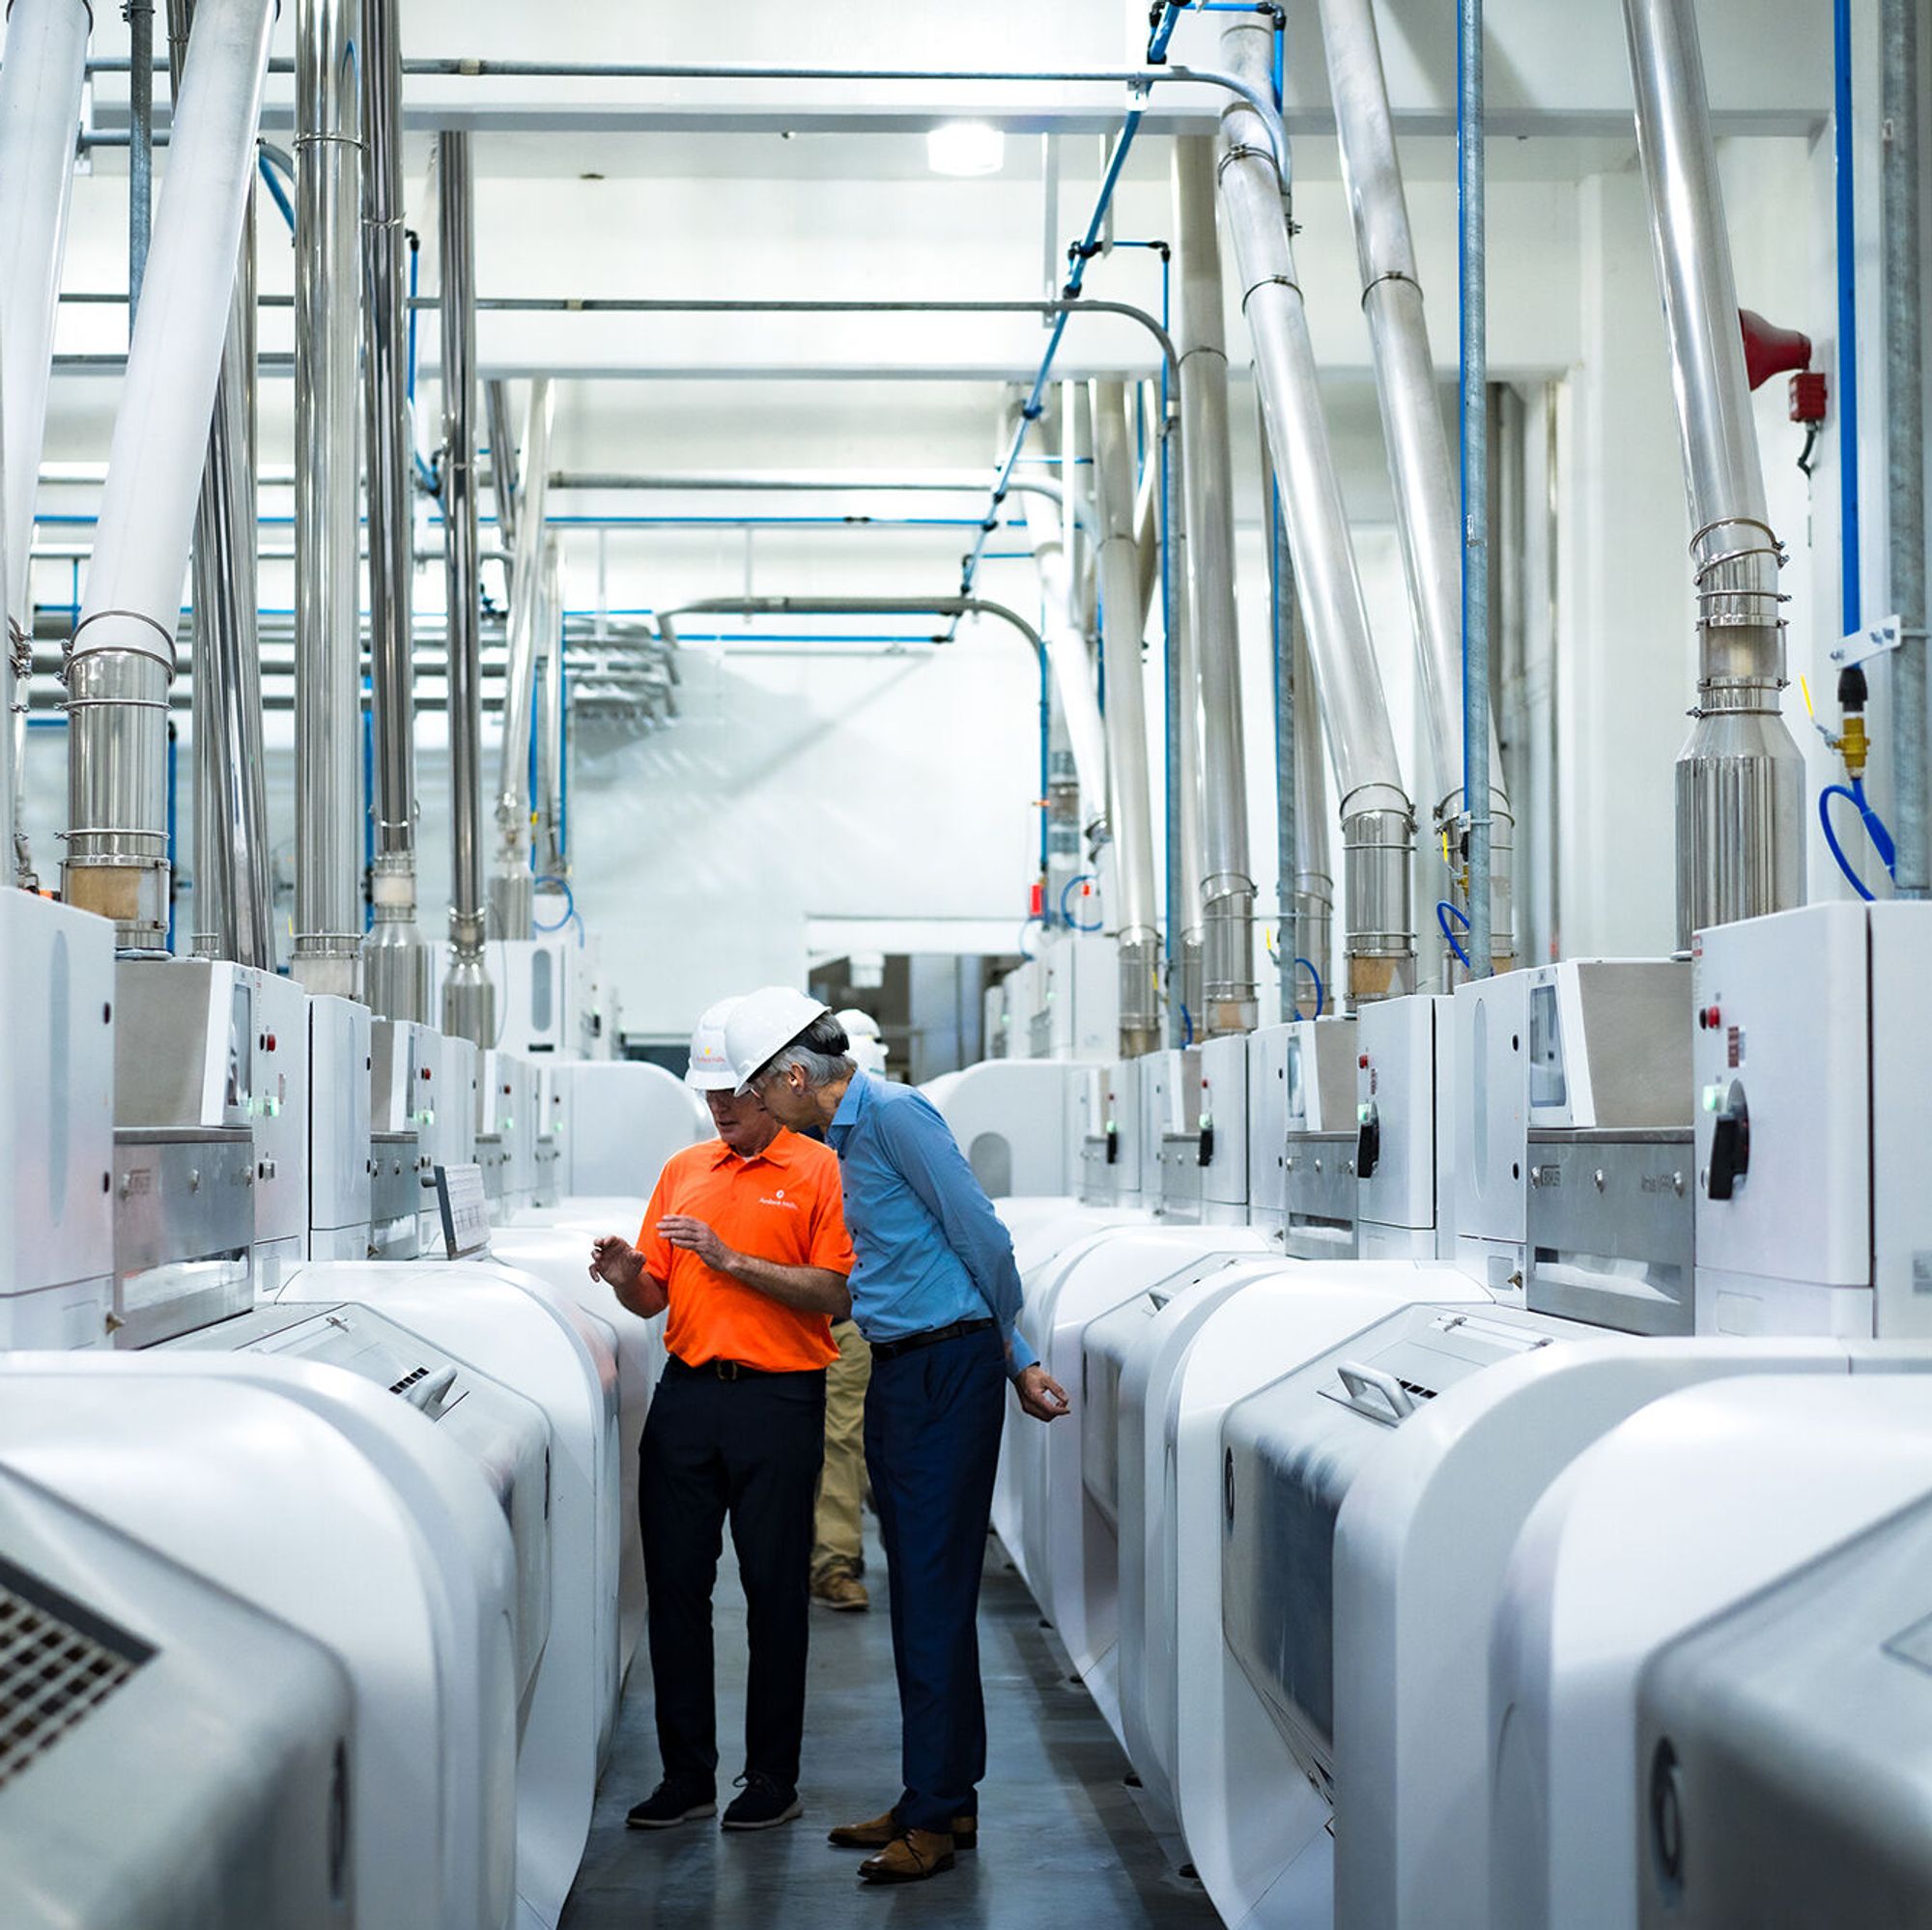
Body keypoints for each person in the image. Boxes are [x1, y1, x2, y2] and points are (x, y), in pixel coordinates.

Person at [723, 988, 1070, 1886]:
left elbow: (982, 1242)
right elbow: (929, 1262)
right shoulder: (840, 1138)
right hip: (908, 1367)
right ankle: (942, 1798)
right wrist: (1018, 1356)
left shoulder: (898, 1118)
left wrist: (1007, 1354)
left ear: (798, 1076)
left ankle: (934, 1807)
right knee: (926, 1592)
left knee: (932, 1589)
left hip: (942, 1371)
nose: (756, 1105)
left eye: (762, 1088)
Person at [588, 996, 854, 1834]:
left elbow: (838, 1294)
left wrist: (730, 1259)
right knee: (676, 1592)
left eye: (732, 1095)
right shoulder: (683, 1169)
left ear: (771, 1085)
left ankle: (772, 1778)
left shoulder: (820, 1171)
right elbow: (652, 1299)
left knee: (775, 1595)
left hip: (780, 1401)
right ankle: (686, 1776)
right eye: (709, 1097)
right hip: (689, 1399)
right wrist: (630, 1272)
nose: (720, 1110)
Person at [810, 1008, 887, 1612]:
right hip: (793, 1312)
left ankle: (835, 1559)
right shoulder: (794, 1140)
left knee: (843, 1438)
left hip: (853, 1315)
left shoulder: (886, 1129)